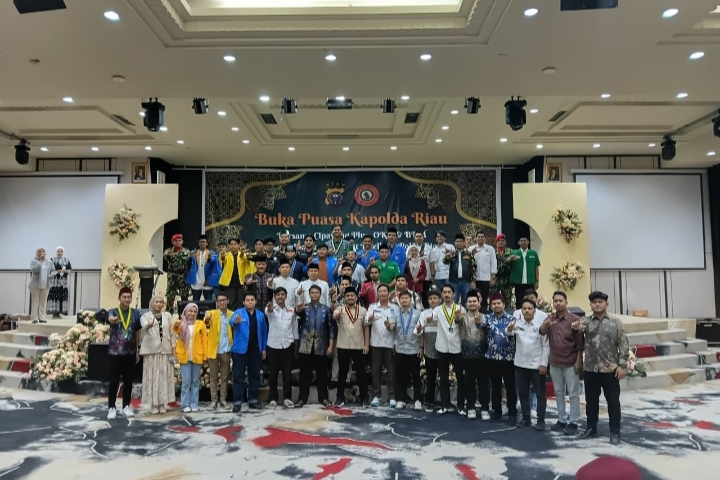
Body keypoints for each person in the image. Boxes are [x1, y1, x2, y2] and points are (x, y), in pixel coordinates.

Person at [573, 291, 629, 445]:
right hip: (591, 369)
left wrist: (622, 366)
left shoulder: (616, 322)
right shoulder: (585, 321)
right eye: (594, 302)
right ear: (590, 305)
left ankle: (615, 431)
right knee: (591, 401)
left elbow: (623, 345)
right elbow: (577, 336)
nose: (597, 304)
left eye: (600, 302)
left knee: (613, 402)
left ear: (606, 304)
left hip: (610, 369)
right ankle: (591, 428)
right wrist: (575, 329)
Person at [540, 291, 584, 435]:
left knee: (573, 394)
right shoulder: (550, 318)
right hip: (555, 362)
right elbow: (541, 331)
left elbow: (580, 343)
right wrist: (546, 326)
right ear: (553, 303)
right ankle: (561, 419)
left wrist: (579, 361)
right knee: (558, 393)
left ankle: (574, 422)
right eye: (556, 301)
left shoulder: (574, 319)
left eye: (561, 300)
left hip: (570, 362)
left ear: (566, 302)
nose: (558, 303)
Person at [507, 298, 549, 430]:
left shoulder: (541, 326)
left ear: (534, 311)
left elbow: (546, 345)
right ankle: (526, 418)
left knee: (540, 394)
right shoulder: (517, 323)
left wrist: (544, 363)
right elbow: (508, 333)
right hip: (520, 364)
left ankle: (541, 421)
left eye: (529, 309)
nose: (526, 311)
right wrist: (509, 329)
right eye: (524, 309)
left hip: (537, 365)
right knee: (523, 393)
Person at [296, 285, 337, 407]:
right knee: (304, 374)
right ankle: (302, 398)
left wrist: (331, 346)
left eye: (316, 292)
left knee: (322, 374)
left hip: (321, 345)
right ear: (309, 294)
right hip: (305, 345)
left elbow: (331, 329)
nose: (314, 294)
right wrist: (298, 310)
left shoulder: (326, 309)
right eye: (312, 292)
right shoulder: (304, 308)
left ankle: (323, 398)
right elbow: (297, 315)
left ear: (320, 294)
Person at [480, 292, 517, 424]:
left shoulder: (512, 318)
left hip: (508, 358)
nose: (496, 306)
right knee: (495, 386)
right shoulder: (487, 318)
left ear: (503, 304)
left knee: (510, 386)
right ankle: (497, 411)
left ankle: (512, 412)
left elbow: (515, 333)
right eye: (494, 304)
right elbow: (479, 325)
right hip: (492, 357)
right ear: (491, 306)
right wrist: (478, 322)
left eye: (498, 303)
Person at [229, 292, 268, 414]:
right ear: (244, 302)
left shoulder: (260, 315)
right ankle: (237, 402)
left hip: (255, 350)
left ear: (255, 301)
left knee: (254, 376)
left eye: (252, 300)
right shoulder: (238, 313)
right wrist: (236, 321)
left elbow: (264, 332)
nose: (250, 302)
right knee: (238, 376)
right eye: (248, 300)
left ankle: (253, 400)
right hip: (240, 351)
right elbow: (231, 322)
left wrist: (264, 348)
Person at [106, 287, 142, 420]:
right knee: (114, 380)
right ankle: (111, 407)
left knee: (128, 380)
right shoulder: (114, 311)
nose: (127, 299)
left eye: (129, 297)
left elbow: (137, 331)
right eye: (124, 297)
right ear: (119, 298)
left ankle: (126, 405)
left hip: (130, 352)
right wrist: (112, 319)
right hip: (115, 352)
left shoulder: (135, 313)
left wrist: (137, 349)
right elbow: (109, 318)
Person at [432, 284, 466, 415]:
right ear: (441, 295)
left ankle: (461, 406)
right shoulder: (437, 310)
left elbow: (462, 324)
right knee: (443, 377)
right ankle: (444, 405)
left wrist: (457, 319)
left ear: (454, 294)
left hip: (456, 346)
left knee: (460, 377)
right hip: (442, 346)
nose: (447, 294)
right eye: (444, 292)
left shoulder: (460, 309)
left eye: (449, 292)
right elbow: (428, 320)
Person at [333, 286, 369, 407]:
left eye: (352, 295)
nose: (350, 297)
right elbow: (334, 315)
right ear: (344, 298)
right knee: (342, 373)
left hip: (358, 346)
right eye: (347, 296)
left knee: (361, 373)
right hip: (343, 346)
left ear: (356, 297)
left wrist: (366, 345)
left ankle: (364, 398)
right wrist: (337, 315)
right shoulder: (340, 309)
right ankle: (339, 398)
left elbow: (366, 328)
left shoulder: (363, 311)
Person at [139, 295, 175, 414]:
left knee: (163, 378)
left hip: (165, 350)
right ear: (152, 303)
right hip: (151, 352)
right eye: (156, 302)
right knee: (153, 378)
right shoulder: (146, 316)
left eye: (160, 302)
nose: (158, 304)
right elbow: (143, 325)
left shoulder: (168, 316)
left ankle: (162, 403)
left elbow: (172, 333)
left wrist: (173, 348)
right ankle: (154, 404)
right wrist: (148, 325)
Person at [365, 284, 398, 408]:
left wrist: (389, 326)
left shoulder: (394, 308)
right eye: (380, 291)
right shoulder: (372, 307)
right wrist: (370, 319)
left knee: (391, 372)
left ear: (388, 293)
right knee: (376, 371)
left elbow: (396, 326)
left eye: (385, 291)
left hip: (390, 344)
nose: (383, 293)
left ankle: (392, 396)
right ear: (377, 294)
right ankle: (376, 396)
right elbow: (366, 321)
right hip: (376, 343)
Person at [265, 287, 298, 409]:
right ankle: (273, 398)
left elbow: (294, 327)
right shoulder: (271, 309)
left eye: (282, 294)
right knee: (273, 374)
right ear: (275, 296)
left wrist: (295, 343)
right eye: (278, 294)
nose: (280, 296)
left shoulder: (291, 310)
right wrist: (270, 308)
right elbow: (268, 312)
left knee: (287, 374)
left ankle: (287, 398)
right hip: (273, 345)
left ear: (286, 296)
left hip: (288, 345)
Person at [459, 290, 490, 420]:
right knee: (469, 382)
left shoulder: (486, 317)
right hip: (467, 356)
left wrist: (480, 323)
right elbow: (456, 321)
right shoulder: (462, 317)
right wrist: (456, 317)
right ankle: (470, 406)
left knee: (484, 383)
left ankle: (485, 408)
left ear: (479, 302)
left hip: (483, 356)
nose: (472, 304)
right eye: (470, 301)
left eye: (474, 301)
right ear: (466, 303)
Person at [173, 302, 208, 413]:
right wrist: (176, 325)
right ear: (186, 312)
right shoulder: (181, 323)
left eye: (194, 311)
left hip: (197, 355)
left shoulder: (201, 324)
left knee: (195, 381)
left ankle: (194, 404)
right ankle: (184, 405)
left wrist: (205, 356)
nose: (192, 313)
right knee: (186, 382)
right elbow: (176, 330)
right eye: (190, 311)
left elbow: (204, 341)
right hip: (184, 356)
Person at [204, 292, 234, 410]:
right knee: (213, 377)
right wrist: (207, 319)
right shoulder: (211, 313)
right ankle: (213, 400)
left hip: (226, 349)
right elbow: (206, 322)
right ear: (216, 302)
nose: (222, 302)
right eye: (219, 300)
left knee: (225, 377)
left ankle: (223, 400)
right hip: (214, 350)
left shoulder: (232, 314)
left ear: (228, 301)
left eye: (224, 300)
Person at [394, 291, 423, 410]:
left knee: (416, 376)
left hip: (414, 349)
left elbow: (421, 332)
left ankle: (418, 400)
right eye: (402, 298)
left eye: (407, 298)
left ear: (411, 300)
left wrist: (421, 347)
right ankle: (401, 399)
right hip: (400, 349)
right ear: (399, 300)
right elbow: (393, 330)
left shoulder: (417, 314)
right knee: (401, 376)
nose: (404, 300)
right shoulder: (396, 314)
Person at [415, 289, 441, 411]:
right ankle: (430, 401)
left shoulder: (443, 312)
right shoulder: (424, 313)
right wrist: (421, 347)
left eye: (435, 298)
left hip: (443, 346)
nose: (432, 300)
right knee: (430, 376)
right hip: (429, 347)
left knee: (443, 376)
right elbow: (420, 332)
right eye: (430, 299)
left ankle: (444, 402)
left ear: (440, 300)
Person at [218, 238, 255, 310]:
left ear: (238, 245)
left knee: (241, 302)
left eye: (235, 244)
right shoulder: (226, 255)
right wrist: (222, 256)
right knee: (231, 303)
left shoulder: (243, 254)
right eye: (231, 244)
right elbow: (223, 260)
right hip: (229, 283)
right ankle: (232, 317)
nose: (233, 246)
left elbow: (244, 259)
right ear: (229, 246)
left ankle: (242, 316)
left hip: (241, 283)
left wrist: (242, 253)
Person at [507, 237, 541, 309]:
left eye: (525, 241)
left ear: (528, 242)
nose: (523, 242)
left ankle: (531, 312)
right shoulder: (514, 253)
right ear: (518, 243)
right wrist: (510, 259)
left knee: (531, 299)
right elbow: (507, 263)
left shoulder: (533, 253)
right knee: (519, 300)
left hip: (530, 281)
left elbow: (536, 267)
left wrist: (537, 281)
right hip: (518, 282)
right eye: (521, 241)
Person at [443, 234, 476, 305]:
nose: (459, 243)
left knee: (466, 301)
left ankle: (465, 312)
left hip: (466, 281)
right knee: (454, 301)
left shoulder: (469, 254)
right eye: (457, 241)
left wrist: (473, 281)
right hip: (454, 281)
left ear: (464, 243)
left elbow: (473, 267)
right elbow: (445, 262)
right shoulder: (451, 254)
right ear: (454, 243)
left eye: (461, 241)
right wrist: (447, 258)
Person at [187, 235, 220, 301]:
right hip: (196, 280)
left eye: (204, 242)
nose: (202, 243)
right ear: (198, 243)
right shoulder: (194, 253)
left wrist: (210, 259)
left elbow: (213, 263)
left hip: (207, 281)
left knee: (209, 301)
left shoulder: (212, 253)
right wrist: (190, 258)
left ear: (207, 243)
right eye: (200, 242)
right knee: (195, 301)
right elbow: (188, 262)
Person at [163, 234, 191, 311]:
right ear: (173, 242)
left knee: (184, 296)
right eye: (176, 241)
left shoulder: (187, 251)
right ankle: (169, 312)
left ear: (182, 241)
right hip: (173, 276)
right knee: (170, 295)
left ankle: (184, 312)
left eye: (179, 241)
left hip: (183, 276)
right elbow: (165, 256)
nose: (178, 242)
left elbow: (190, 262)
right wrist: (169, 254)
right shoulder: (169, 251)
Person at [470, 233, 497, 312]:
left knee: (484, 298)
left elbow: (493, 263)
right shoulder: (471, 249)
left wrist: (493, 277)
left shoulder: (490, 249)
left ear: (485, 238)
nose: (480, 238)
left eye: (482, 237)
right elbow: (469, 263)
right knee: (474, 298)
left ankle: (484, 315)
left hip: (486, 278)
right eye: (479, 237)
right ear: (476, 238)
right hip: (474, 279)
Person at [29, 247, 53, 324]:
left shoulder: (49, 262)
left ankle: (42, 318)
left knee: (43, 302)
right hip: (35, 284)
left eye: (43, 251)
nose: (41, 253)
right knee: (35, 301)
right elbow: (35, 270)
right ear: (37, 253)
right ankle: (34, 318)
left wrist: (53, 275)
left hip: (46, 284)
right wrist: (41, 262)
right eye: (40, 251)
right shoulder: (34, 261)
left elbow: (52, 271)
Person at [47, 246, 71, 318]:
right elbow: (49, 270)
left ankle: (59, 313)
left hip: (63, 283)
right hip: (54, 282)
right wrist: (57, 271)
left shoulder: (66, 260)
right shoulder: (52, 260)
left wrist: (66, 271)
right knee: (54, 296)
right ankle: (54, 314)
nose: (60, 253)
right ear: (56, 252)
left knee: (62, 296)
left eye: (61, 251)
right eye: (58, 251)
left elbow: (70, 269)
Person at [492, 234, 514, 307]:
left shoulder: (510, 251)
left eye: (502, 241)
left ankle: (507, 312)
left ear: (505, 242)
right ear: (496, 242)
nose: (501, 242)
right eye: (499, 241)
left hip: (506, 279)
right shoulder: (493, 252)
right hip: (496, 278)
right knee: (494, 297)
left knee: (507, 298)